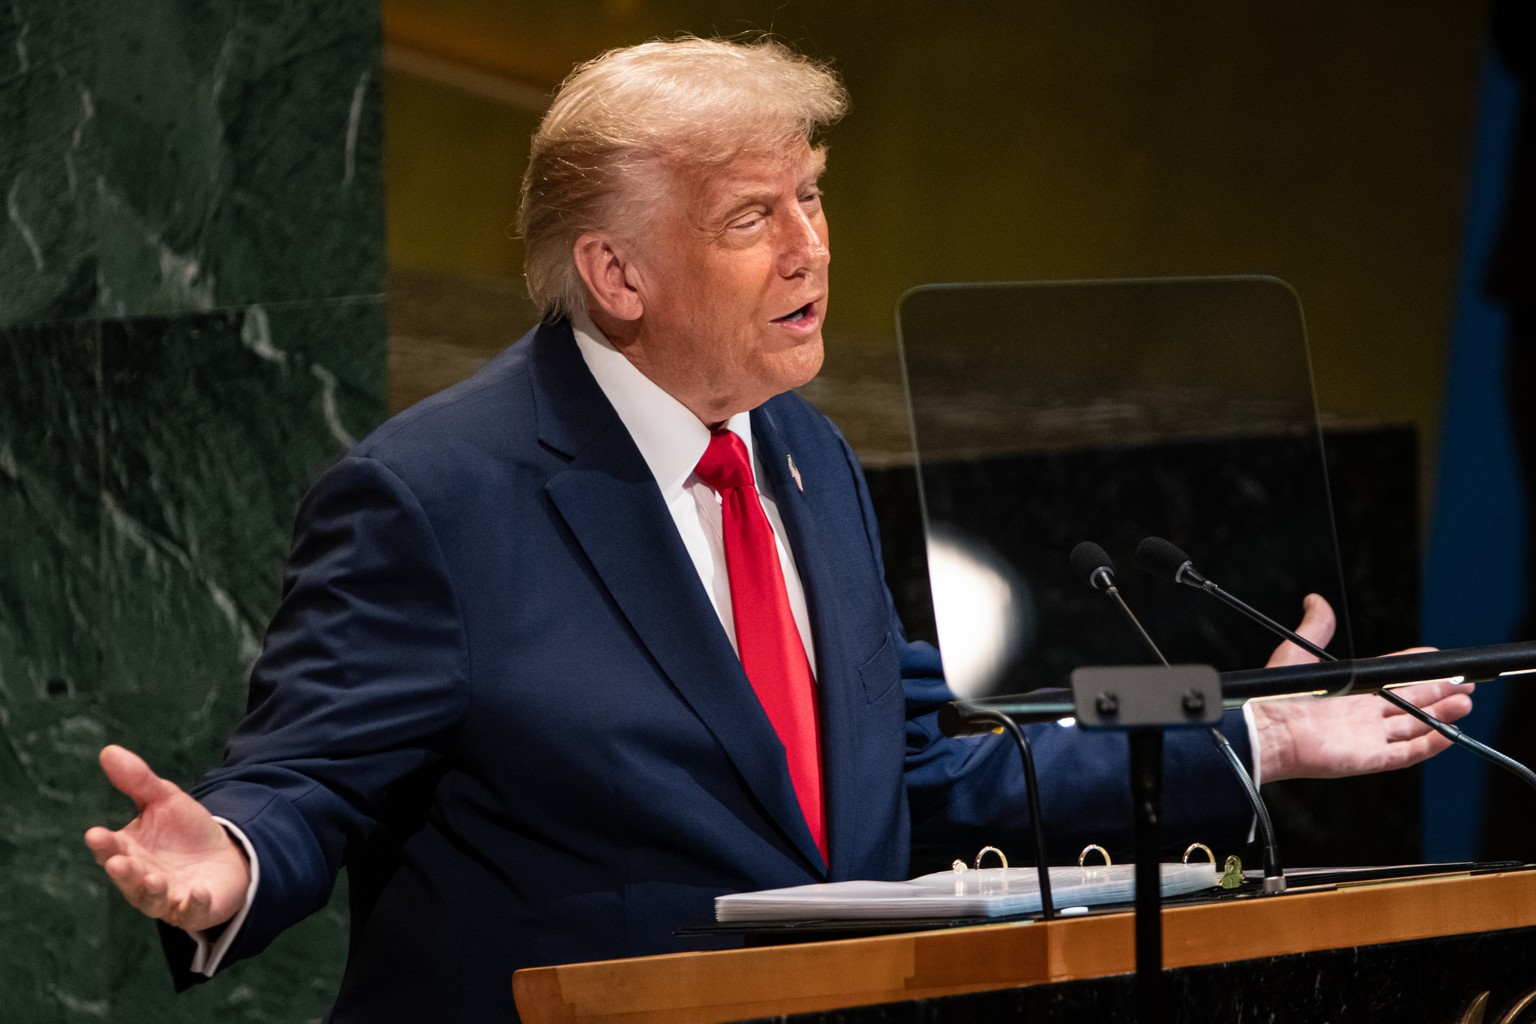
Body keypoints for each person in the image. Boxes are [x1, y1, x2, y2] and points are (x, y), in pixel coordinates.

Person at [85, 36, 1475, 1024]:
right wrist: (234, 859)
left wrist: (1260, 735)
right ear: (616, 272)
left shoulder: (804, 455)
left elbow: (915, 772)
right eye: (753, 216)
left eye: (811, 194)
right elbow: (312, 779)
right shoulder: (436, 496)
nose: (811, 247)